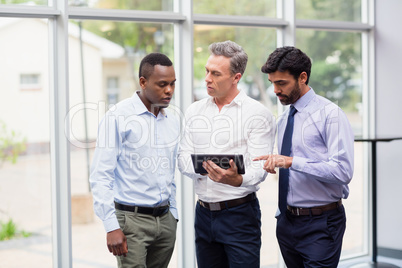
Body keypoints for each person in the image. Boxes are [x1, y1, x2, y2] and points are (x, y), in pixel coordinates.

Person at [178, 40, 276, 268]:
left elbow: (259, 166)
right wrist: (206, 167)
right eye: (206, 71)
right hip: (203, 213)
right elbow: (183, 158)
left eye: (215, 73)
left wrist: (237, 179)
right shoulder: (194, 111)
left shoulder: (258, 114)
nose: (207, 79)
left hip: (239, 215)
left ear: (236, 77)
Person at [255, 46, 354, 268]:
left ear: (302, 77)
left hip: (321, 224)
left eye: (281, 83)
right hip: (287, 223)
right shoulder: (284, 119)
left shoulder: (331, 115)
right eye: (272, 83)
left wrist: (291, 162)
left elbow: (343, 171)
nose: (275, 90)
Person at [89, 52, 179, 268]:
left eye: (173, 84)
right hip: (132, 222)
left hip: (165, 221)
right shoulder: (118, 117)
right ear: (143, 82)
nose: (169, 90)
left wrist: (173, 215)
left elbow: (169, 171)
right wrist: (111, 226)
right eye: (162, 84)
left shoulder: (172, 120)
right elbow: (101, 176)